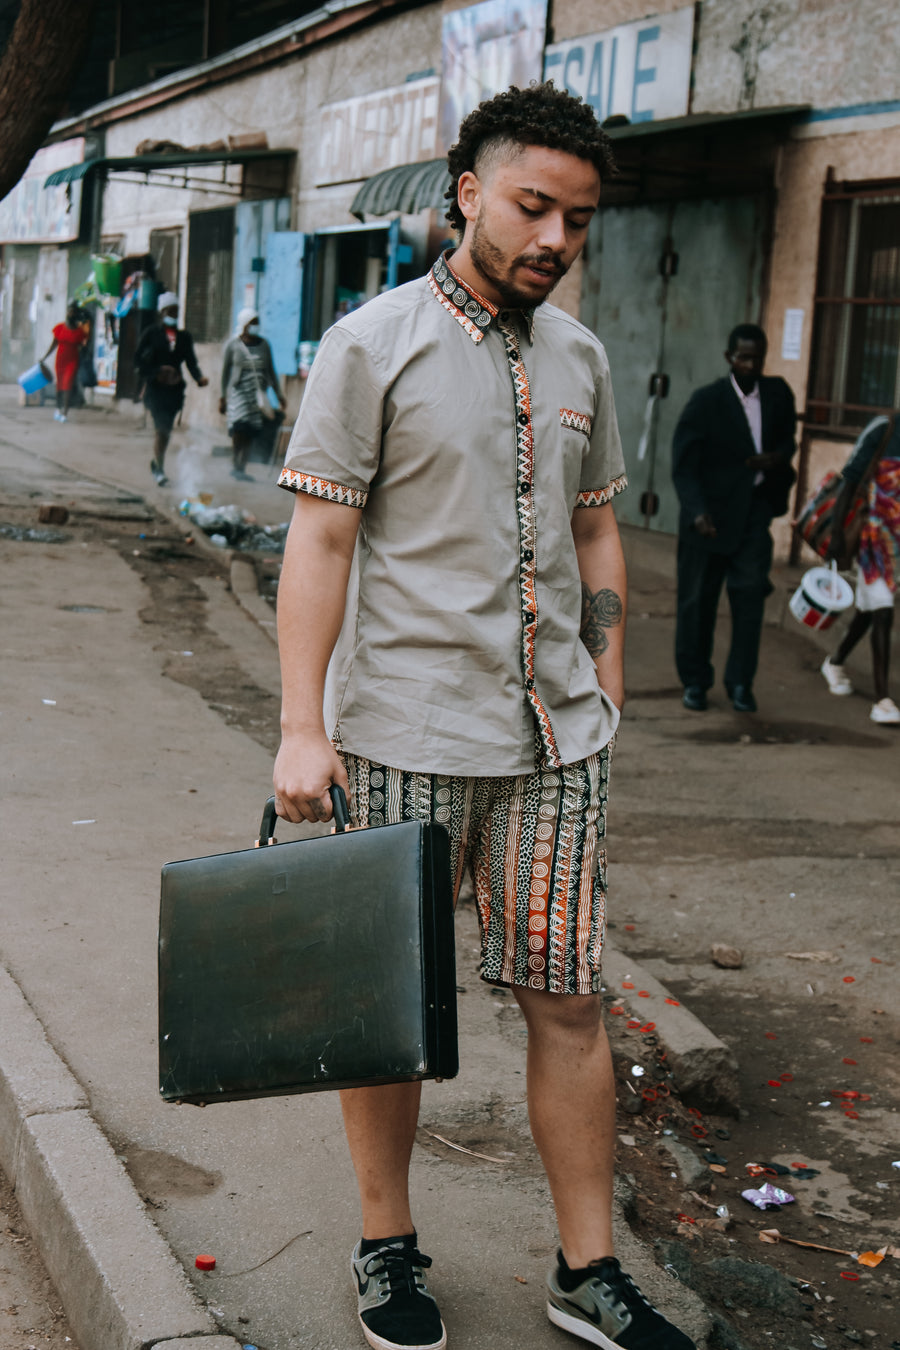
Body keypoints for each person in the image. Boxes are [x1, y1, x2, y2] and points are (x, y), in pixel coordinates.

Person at [272, 82, 694, 1350]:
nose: (555, 238)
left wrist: (607, 684)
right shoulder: (373, 342)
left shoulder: (584, 358)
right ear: (467, 193)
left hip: (555, 745)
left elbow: (597, 522)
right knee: (390, 1006)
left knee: (570, 1000)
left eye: (577, 218)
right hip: (402, 731)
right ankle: (387, 1249)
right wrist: (304, 721)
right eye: (530, 206)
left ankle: (588, 1268)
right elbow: (322, 536)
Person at [671, 323, 796, 713]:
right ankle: (695, 681)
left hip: (753, 514)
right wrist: (697, 512)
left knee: (750, 599)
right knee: (697, 603)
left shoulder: (777, 394)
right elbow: (683, 465)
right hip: (708, 518)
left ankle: (741, 683)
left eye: (757, 357)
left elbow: (787, 440)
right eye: (743, 357)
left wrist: (776, 458)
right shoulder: (706, 401)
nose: (751, 364)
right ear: (730, 358)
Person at [820, 413, 900, 724]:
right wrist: (837, 533)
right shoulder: (885, 429)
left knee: (868, 612)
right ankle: (882, 700)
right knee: (882, 610)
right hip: (874, 539)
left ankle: (835, 662)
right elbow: (850, 479)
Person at [133, 292, 208, 486]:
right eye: (170, 310)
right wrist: (157, 371)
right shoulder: (151, 334)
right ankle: (159, 469)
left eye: (176, 311)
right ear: (162, 311)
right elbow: (138, 361)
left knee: (166, 430)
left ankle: (157, 462)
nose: (173, 314)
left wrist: (199, 377)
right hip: (156, 390)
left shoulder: (184, 337)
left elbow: (191, 362)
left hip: (174, 392)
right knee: (162, 428)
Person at [219, 307, 286, 480]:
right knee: (239, 427)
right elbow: (225, 372)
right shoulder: (233, 345)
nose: (256, 326)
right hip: (239, 392)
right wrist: (222, 397)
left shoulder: (264, 345)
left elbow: (271, 371)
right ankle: (235, 461)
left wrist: (278, 394)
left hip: (257, 394)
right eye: (252, 323)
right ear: (244, 325)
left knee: (251, 430)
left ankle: (241, 466)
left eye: (257, 323)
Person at [41, 300, 88, 422]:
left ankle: (65, 413)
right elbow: (53, 345)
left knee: (67, 385)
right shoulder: (60, 328)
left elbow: (84, 346)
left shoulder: (79, 332)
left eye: (73, 311)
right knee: (60, 386)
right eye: (69, 311)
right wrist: (44, 357)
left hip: (72, 360)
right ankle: (58, 408)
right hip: (60, 360)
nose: (70, 313)